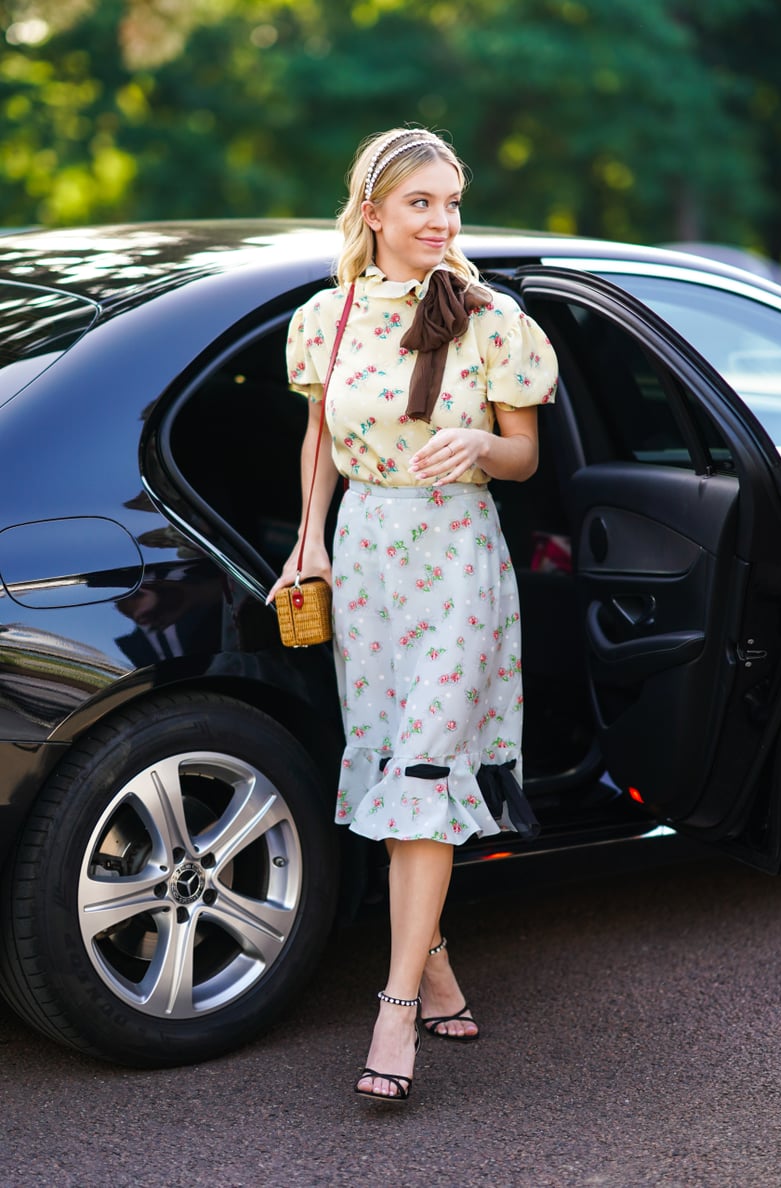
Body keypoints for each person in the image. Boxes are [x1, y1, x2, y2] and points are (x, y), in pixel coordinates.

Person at [267, 126, 558, 1102]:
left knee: (427, 764)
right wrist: (308, 540)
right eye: (422, 202)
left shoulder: (491, 320)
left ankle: (393, 1012)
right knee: (389, 752)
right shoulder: (328, 318)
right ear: (375, 211)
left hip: (458, 557)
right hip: (368, 557)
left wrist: (478, 439)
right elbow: (318, 438)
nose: (442, 220)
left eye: (451, 202)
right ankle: (431, 962)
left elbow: (526, 460)